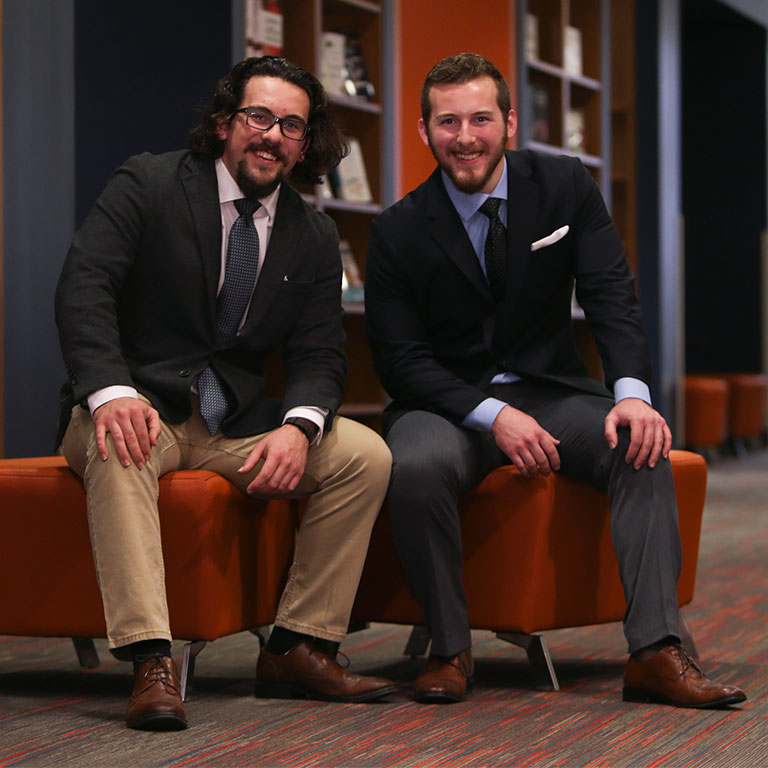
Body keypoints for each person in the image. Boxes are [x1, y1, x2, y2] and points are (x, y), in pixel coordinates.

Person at [364, 52, 746, 708]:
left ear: (509, 121)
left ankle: (655, 651)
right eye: (448, 121)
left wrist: (632, 395)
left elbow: (612, 298)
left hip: (550, 389)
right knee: (417, 464)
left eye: (481, 118)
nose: (465, 136)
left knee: (640, 442)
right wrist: (493, 415)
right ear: (424, 131)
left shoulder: (565, 186)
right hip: (448, 404)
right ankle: (449, 649)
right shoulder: (398, 229)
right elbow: (402, 362)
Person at [56, 56, 396, 731]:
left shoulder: (313, 233)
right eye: (258, 116)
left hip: (230, 424)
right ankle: (151, 659)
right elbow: (83, 288)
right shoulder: (148, 184)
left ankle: (296, 644)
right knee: (121, 442)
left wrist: (300, 427)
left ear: (306, 143)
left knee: (365, 455)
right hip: (138, 405)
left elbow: (321, 353)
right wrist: (111, 391)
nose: (272, 135)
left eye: (291, 125)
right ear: (223, 123)